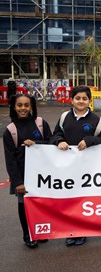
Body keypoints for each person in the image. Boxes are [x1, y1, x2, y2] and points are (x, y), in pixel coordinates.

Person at [50, 85, 101, 246]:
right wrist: (60, 141)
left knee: (83, 200)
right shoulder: (64, 117)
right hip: (67, 167)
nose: (81, 101)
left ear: (89, 100)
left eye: (84, 98)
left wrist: (89, 140)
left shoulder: (96, 120)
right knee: (69, 200)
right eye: (78, 98)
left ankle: (81, 231)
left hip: (87, 168)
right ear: (72, 100)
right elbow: (55, 135)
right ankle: (70, 231)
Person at [3, 94, 52, 248]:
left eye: (26, 105)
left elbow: (51, 143)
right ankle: (28, 234)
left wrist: (36, 143)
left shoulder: (40, 123)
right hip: (22, 176)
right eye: (19, 105)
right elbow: (10, 160)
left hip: (42, 175)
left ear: (31, 107)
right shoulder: (10, 130)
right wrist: (17, 182)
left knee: (41, 204)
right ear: (14, 107)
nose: (23, 108)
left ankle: (40, 232)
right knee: (23, 205)